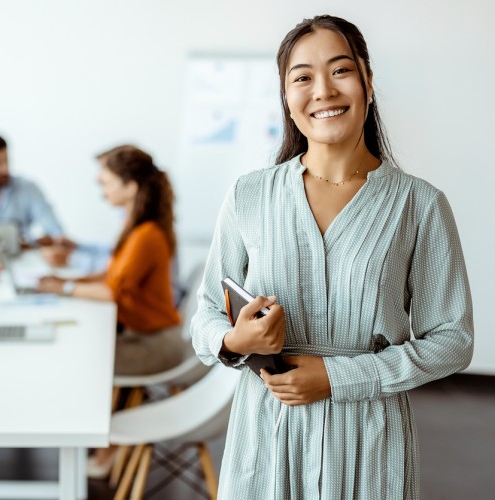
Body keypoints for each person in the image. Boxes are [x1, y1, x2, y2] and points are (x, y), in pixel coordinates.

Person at [190, 15, 473, 499]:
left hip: (368, 438)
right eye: (302, 77)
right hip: (266, 433)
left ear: (367, 80)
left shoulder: (420, 205)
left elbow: (452, 339)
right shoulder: (249, 195)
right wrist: (235, 339)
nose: (322, 90)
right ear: (286, 97)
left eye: (340, 70)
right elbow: (204, 317)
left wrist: (338, 377)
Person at [38, 144, 185, 478]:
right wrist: (67, 280)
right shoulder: (136, 228)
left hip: (156, 346)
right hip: (146, 335)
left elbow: (112, 291)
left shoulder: (146, 234)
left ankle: (99, 446)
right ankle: (100, 443)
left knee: (82, 362)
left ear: (130, 187)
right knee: (82, 350)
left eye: (106, 182)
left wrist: (63, 287)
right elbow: (114, 274)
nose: (101, 189)